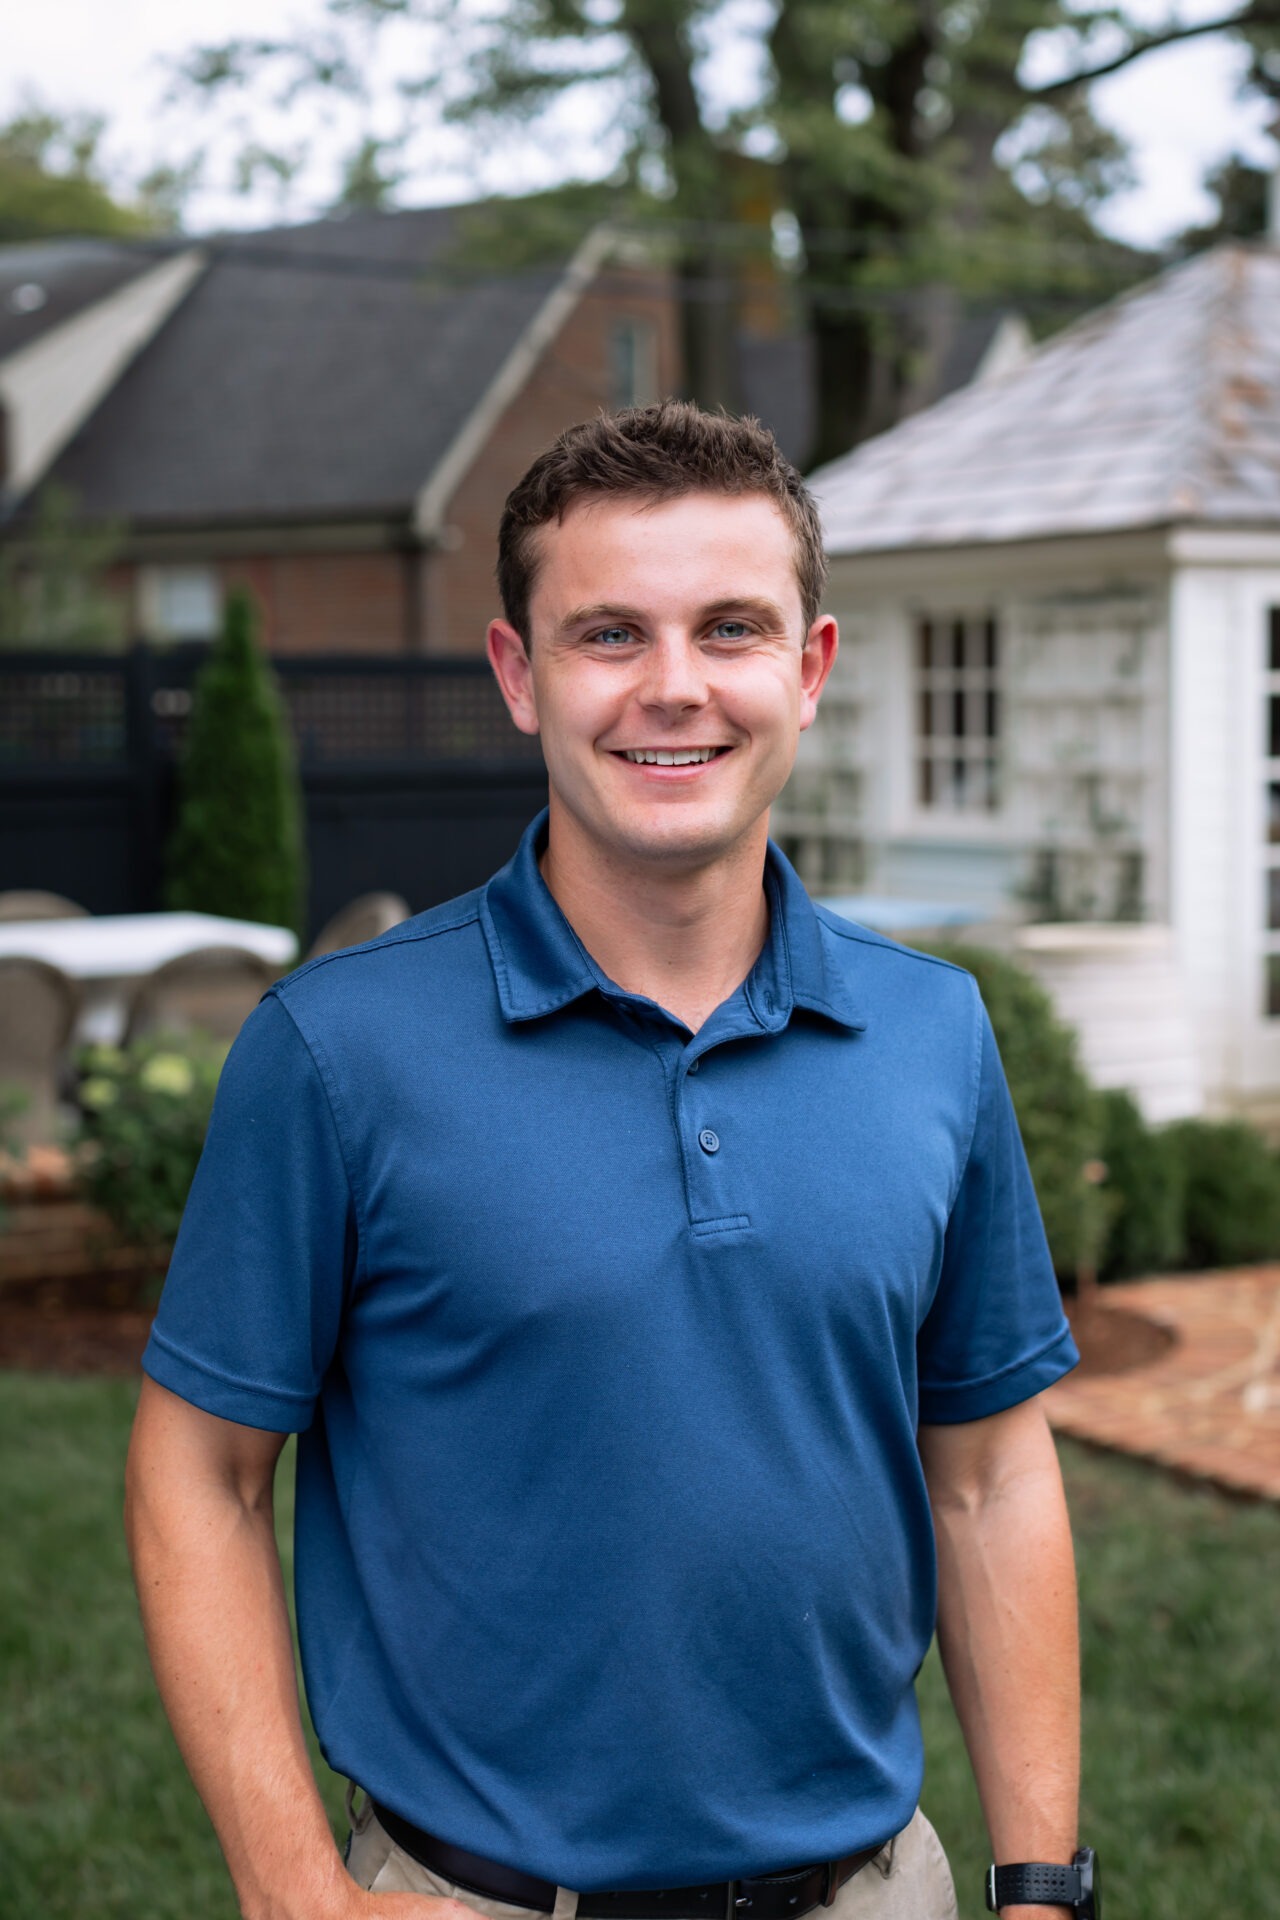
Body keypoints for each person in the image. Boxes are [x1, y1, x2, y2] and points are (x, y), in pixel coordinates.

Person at [126, 401, 1087, 1920]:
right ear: (519, 674)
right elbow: (198, 1472)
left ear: (810, 669)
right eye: (609, 636)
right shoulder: (336, 1051)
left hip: (876, 1890)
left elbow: (987, 1472)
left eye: (730, 628)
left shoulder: (932, 1033)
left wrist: (1039, 1879)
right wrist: (292, 1890)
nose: (675, 689)